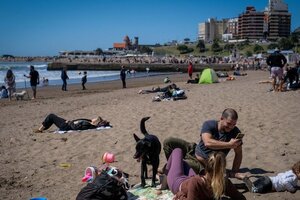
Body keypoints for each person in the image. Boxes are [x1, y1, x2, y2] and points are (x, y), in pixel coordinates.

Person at [163, 108, 243, 179]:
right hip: (194, 150)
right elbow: (207, 142)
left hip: (203, 165)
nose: (231, 127)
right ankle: (170, 167)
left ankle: (170, 171)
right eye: (228, 124)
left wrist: (234, 171)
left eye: (234, 125)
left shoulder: (235, 133)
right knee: (168, 142)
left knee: (181, 165)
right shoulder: (209, 124)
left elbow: (238, 153)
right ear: (221, 119)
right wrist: (229, 144)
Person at [166, 148, 246, 200]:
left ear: (206, 168)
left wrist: (179, 195)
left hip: (178, 182)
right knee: (183, 163)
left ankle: (164, 175)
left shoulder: (196, 182)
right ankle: (166, 171)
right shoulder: (224, 182)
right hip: (190, 179)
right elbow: (240, 198)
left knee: (177, 150)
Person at [35, 113, 110, 133]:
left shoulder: (87, 124)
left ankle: (40, 129)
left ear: (95, 122)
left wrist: (69, 123)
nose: (93, 118)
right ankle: (42, 128)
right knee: (52, 118)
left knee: (51, 116)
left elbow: (75, 127)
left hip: (66, 126)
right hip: (68, 123)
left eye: (95, 118)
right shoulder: (89, 122)